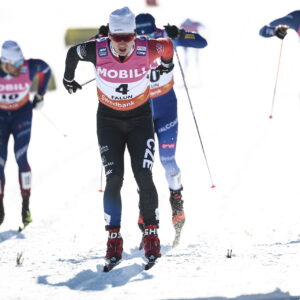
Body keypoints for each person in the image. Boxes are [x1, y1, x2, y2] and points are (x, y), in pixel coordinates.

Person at [62, 7, 174, 268]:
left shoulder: (149, 47)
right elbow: (72, 53)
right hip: (109, 122)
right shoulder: (97, 49)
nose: (123, 44)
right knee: (114, 179)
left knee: (144, 175)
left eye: (128, 37)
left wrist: (167, 64)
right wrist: (69, 79)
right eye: (117, 38)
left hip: (140, 121)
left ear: (135, 34)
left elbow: (167, 46)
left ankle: (151, 235)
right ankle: (113, 239)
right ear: (109, 35)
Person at [135, 13, 207, 246]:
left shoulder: (165, 37)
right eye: (140, 34)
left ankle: (177, 200)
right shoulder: (127, 41)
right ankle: (145, 215)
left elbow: (200, 42)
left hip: (166, 109)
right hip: (140, 112)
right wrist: (104, 33)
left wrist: (179, 33)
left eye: (148, 34)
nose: (144, 39)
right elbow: (97, 47)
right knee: (142, 167)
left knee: (167, 160)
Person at [0, 40, 51, 227]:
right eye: (13, 65)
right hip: (1, 118)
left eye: (19, 64)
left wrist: (40, 95)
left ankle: (25, 206)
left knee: (21, 158)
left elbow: (45, 70)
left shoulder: (29, 67)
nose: (17, 68)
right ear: (3, 61)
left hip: (22, 115)